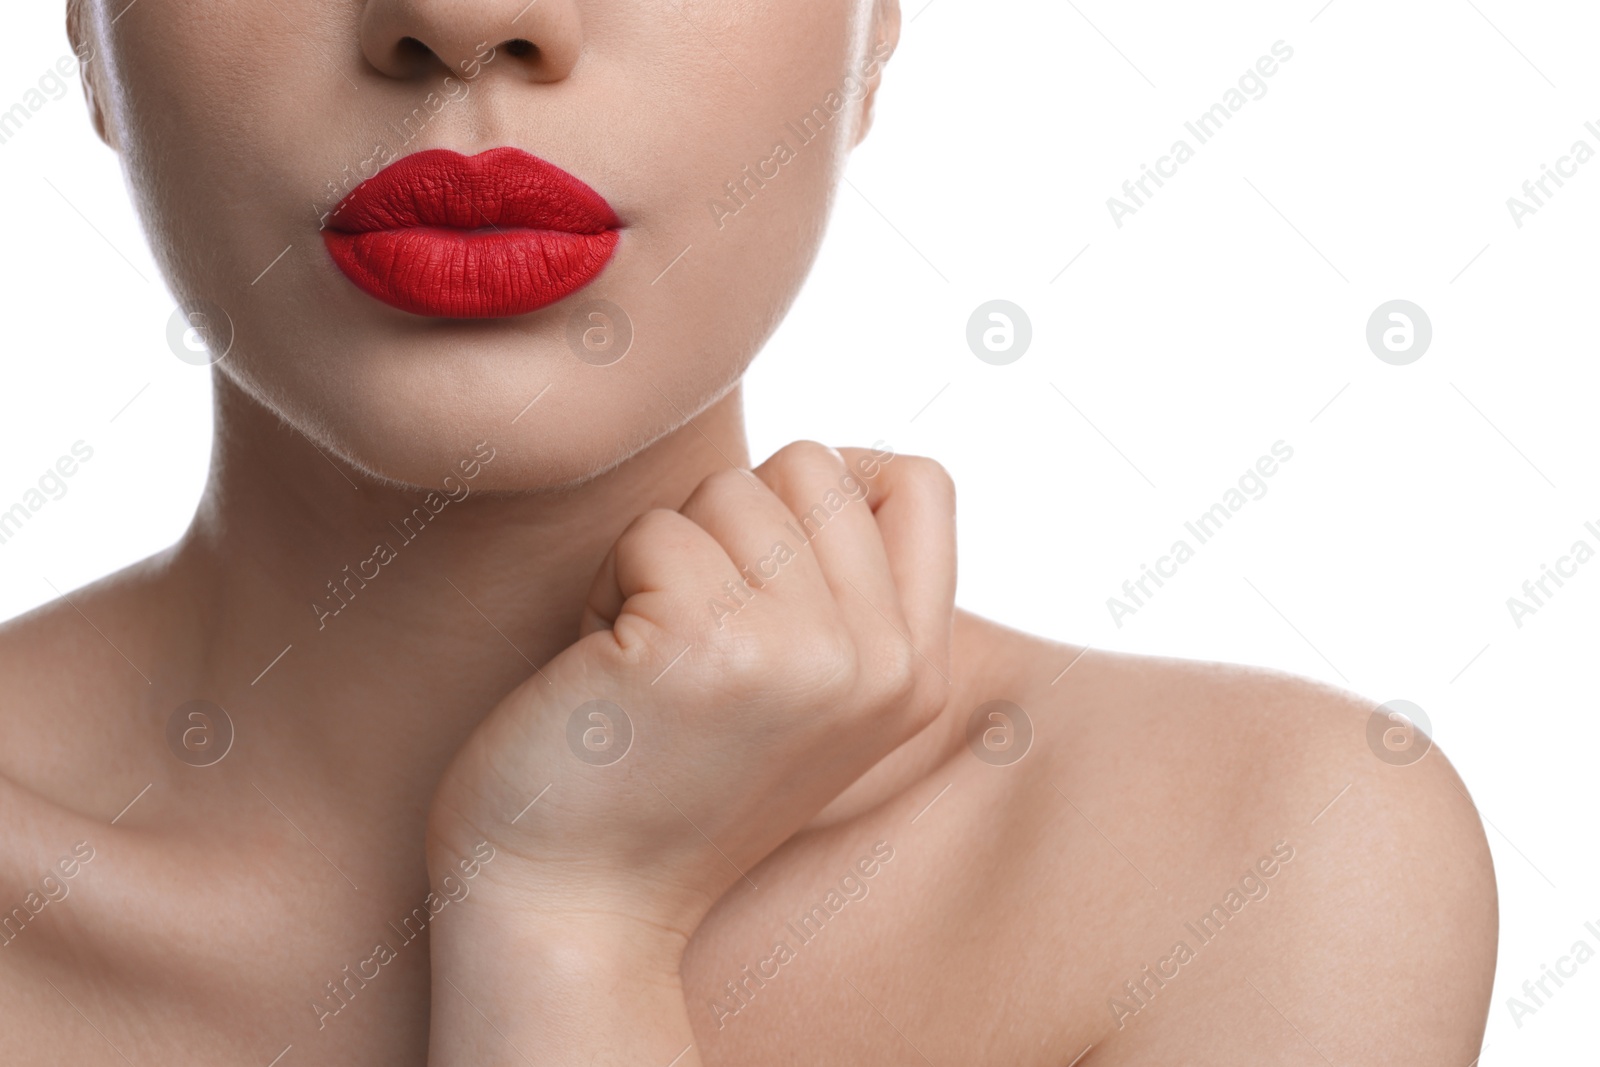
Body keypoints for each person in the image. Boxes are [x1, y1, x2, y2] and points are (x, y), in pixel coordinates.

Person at [0, 0, 1496, 1062]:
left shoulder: (1268, 862)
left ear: (877, 30)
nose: (468, 20)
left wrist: (567, 932)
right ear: (86, 25)